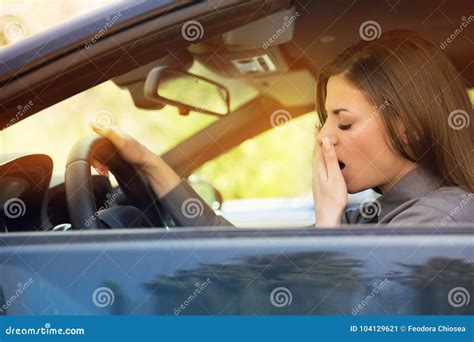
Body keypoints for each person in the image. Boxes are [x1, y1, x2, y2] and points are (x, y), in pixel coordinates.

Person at [90, 30, 474, 227]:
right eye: (324, 122)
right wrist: (150, 164)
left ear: (407, 128)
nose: (323, 137)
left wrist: (327, 219)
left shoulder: (442, 218)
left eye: (345, 122)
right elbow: (246, 263)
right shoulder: (379, 213)